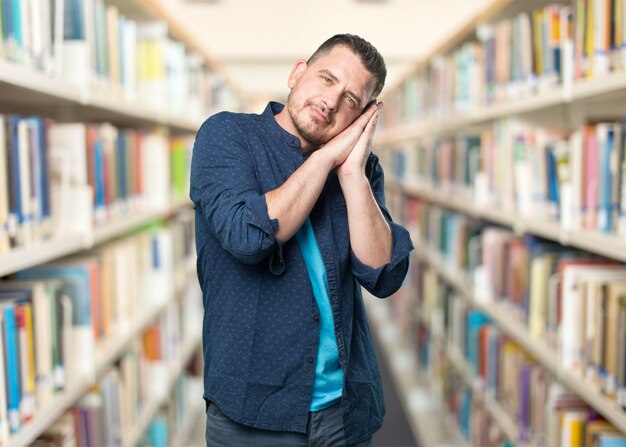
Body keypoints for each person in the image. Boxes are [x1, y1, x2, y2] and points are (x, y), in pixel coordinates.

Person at [190, 33, 414, 446]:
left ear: (363, 116)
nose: (331, 101)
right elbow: (248, 237)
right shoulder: (227, 135)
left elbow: (383, 275)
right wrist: (326, 158)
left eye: (351, 100)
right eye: (327, 79)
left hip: (343, 412)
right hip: (252, 415)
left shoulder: (361, 169)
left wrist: (351, 175)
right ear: (297, 73)